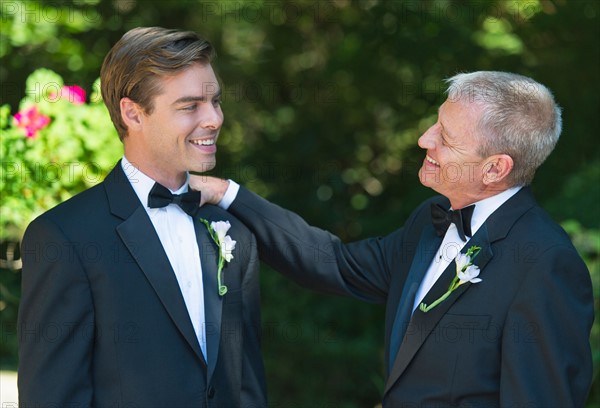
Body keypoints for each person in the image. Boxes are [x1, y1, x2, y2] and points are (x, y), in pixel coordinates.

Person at [191, 71, 594, 406]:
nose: (424, 139)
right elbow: (336, 263)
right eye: (436, 123)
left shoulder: (545, 265)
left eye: (446, 138)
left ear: (495, 169)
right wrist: (228, 194)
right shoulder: (427, 220)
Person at [18, 27, 267, 407]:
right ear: (133, 113)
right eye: (190, 106)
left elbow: (246, 387)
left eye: (214, 101)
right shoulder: (64, 237)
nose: (214, 118)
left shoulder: (233, 233)